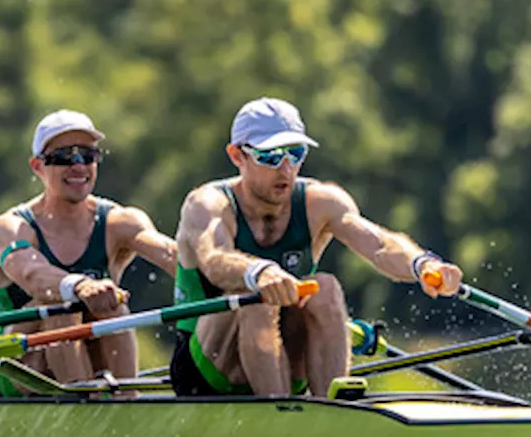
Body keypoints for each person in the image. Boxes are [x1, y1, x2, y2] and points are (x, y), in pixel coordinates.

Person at [171, 97, 463, 398]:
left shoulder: (320, 202)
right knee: (255, 298)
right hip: (207, 369)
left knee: (325, 287)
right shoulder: (207, 204)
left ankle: (330, 408)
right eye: (270, 157)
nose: (285, 169)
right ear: (237, 156)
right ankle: (279, 412)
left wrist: (423, 264)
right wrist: (258, 272)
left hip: (284, 358)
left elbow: (379, 244)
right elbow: (214, 259)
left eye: (295, 154)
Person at [0, 109, 176, 394]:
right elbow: (31, 273)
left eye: (87, 156)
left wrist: (246, 276)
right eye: (64, 157)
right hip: (19, 370)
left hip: (92, 360)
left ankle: (126, 406)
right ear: (38, 167)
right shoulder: (9, 227)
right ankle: (86, 402)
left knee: (114, 306)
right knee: (62, 305)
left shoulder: (118, 222)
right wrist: (80, 285)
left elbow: (176, 258)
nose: (78, 167)